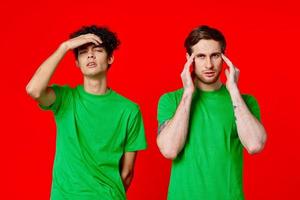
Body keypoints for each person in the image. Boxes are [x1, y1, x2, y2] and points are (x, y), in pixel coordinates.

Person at [26, 25, 147, 200]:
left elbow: (127, 173)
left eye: (97, 50)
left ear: (110, 58)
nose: (90, 55)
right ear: (77, 62)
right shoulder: (66, 98)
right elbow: (33, 90)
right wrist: (64, 47)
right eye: (83, 52)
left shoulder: (129, 110)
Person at [156, 25, 267, 200]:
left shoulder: (245, 102)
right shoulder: (171, 100)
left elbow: (255, 145)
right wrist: (187, 93)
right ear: (189, 59)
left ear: (224, 57)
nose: (209, 64)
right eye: (201, 56)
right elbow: (169, 150)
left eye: (215, 55)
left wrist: (234, 91)